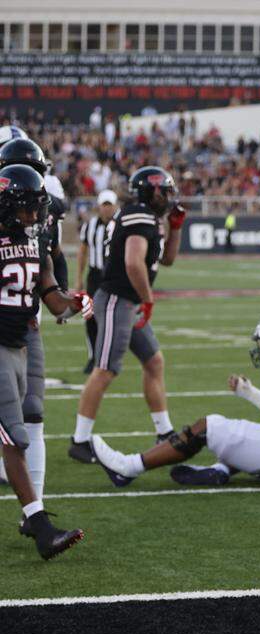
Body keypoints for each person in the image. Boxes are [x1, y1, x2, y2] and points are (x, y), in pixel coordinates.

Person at [89, 311, 260, 486]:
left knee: (208, 426)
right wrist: (249, 393)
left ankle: (128, 467)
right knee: (246, 433)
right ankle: (221, 470)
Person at [0, 163, 92, 559]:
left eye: (37, 208)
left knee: (15, 432)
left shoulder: (35, 242)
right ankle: (40, 528)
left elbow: (51, 297)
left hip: (21, 343)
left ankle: (36, 522)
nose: (34, 216)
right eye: (26, 208)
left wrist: (76, 304)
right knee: (14, 436)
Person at [70, 167, 186, 463]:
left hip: (129, 301)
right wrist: (148, 300)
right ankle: (80, 440)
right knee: (105, 368)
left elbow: (168, 260)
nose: (169, 197)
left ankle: (164, 431)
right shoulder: (138, 214)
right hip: (117, 300)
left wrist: (176, 227)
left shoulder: (149, 218)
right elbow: (134, 263)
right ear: (153, 191)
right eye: (166, 191)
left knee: (154, 360)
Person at [0, 137, 72, 501]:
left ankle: (35, 505)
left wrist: (65, 297)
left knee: (31, 413)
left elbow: (53, 261)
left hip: (26, 322)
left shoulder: (41, 217)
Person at [77, 190, 116, 374]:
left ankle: (106, 357)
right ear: (99, 206)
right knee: (90, 316)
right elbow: (83, 251)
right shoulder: (90, 225)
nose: (107, 208)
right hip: (94, 275)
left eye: (110, 205)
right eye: (104, 204)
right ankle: (93, 356)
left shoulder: (120, 225)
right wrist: (78, 278)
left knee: (109, 317)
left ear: (115, 206)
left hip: (113, 276)